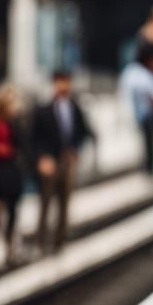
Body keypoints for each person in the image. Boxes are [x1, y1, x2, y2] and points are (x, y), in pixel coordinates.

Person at [31, 70, 94, 253]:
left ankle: (60, 241)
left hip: (67, 160)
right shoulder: (43, 109)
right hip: (50, 160)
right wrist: (42, 158)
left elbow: (83, 131)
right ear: (54, 84)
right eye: (60, 82)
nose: (63, 86)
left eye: (66, 82)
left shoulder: (75, 108)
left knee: (65, 202)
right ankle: (41, 240)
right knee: (45, 201)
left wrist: (76, 148)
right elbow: (35, 137)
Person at [0, 83, 25, 269]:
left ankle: (10, 247)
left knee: (13, 211)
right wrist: (8, 151)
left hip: (13, 170)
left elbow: (22, 144)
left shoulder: (15, 122)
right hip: (1, 170)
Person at [121, 45, 153, 177]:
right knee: (149, 146)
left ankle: (149, 170)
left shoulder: (133, 73)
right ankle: (149, 171)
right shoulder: (140, 74)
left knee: (148, 145)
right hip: (145, 116)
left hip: (142, 115)